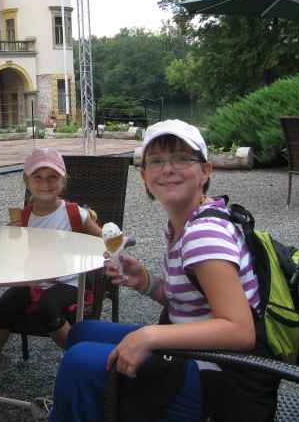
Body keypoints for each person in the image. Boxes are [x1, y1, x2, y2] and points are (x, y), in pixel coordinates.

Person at [36, 120, 278, 422]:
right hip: (201, 356)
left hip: (225, 380)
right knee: (83, 333)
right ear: (144, 175)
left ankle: (74, 407)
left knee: (79, 361)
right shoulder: (182, 223)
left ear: (205, 171)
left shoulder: (204, 233)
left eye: (182, 158)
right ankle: (80, 406)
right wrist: (146, 281)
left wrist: (150, 335)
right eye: (157, 161)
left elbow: (241, 332)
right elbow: (190, 303)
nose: (168, 168)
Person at [0, 148, 102, 373]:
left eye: (53, 176)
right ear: (27, 182)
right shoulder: (24, 217)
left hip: (68, 281)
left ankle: (84, 362)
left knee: (47, 309)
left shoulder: (75, 214)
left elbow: (104, 242)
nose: (45, 183)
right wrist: (8, 237)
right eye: (38, 177)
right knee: (0, 309)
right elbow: (11, 255)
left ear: (63, 181)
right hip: (33, 280)